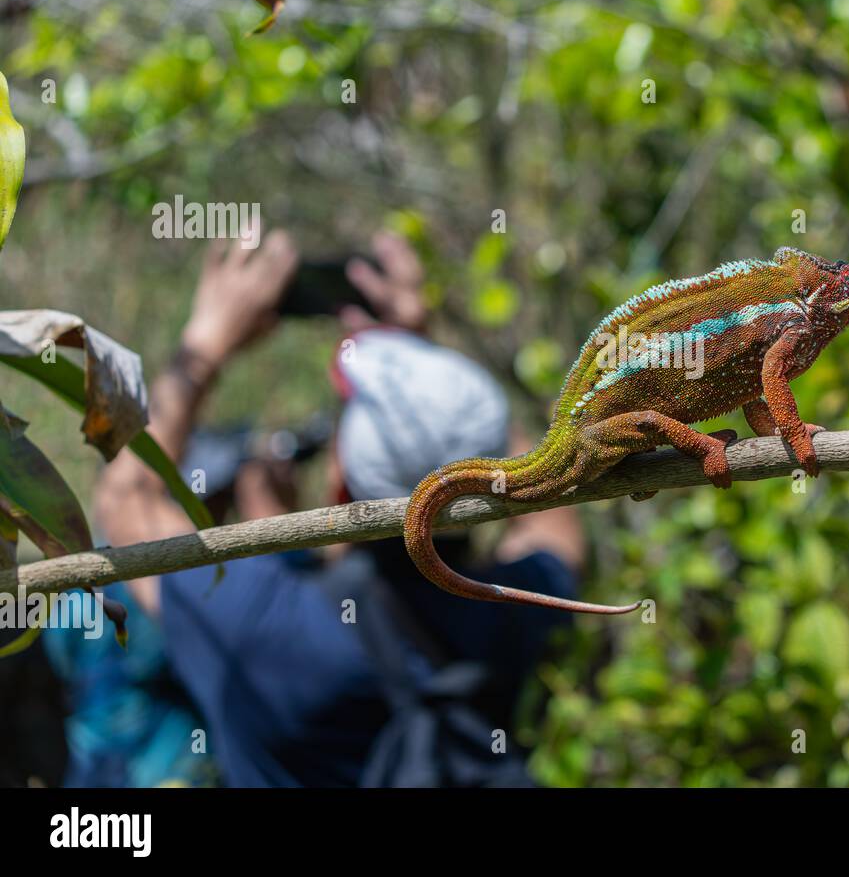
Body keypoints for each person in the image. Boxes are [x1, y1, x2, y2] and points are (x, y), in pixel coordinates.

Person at [93, 231, 587, 786]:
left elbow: (126, 497)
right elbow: (557, 510)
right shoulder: (520, 605)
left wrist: (205, 344)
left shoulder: (261, 625)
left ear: (338, 484)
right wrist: (427, 369)